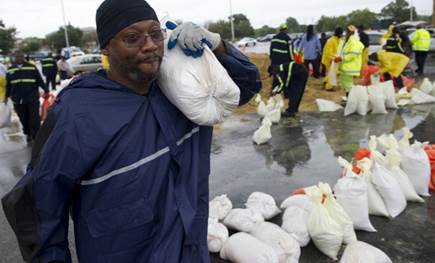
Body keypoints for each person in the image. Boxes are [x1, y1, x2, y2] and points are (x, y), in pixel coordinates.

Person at [1, 0, 261, 262]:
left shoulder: (184, 95)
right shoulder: (78, 114)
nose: (149, 45)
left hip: (190, 252)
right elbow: (38, 208)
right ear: (105, 47)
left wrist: (217, 46)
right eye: (132, 38)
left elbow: (245, 86)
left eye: (155, 33)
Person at [4, 51, 49, 142]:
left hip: (32, 97)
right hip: (17, 99)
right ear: (14, 58)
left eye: (21, 56)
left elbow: (39, 80)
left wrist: (46, 90)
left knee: (34, 117)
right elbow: (8, 85)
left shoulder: (31, 67)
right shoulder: (10, 69)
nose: (19, 58)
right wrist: (6, 96)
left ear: (24, 57)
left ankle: (36, 135)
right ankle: (28, 133)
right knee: (23, 118)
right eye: (17, 56)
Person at [335, 25, 364, 95]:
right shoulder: (346, 40)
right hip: (345, 66)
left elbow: (352, 54)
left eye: (348, 32)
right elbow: (341, 51)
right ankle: (350, 99)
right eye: (347, 31)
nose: (346, 33)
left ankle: (351, 100)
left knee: (348, 85)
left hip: (350, 67)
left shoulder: (354, 42)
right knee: (346, 84)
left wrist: (341, 58)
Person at [269, 23, 293, 89]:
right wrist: (292, 59)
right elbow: (290, 50)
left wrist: (271, 58)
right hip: (284, 60)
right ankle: (285, 91)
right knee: (284, 75)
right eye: (286, 29)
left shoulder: (274, 38)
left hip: (275, 61)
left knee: (276, 75)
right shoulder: (287, 38)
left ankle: (274, 89)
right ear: (285, 30)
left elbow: (271, 49)